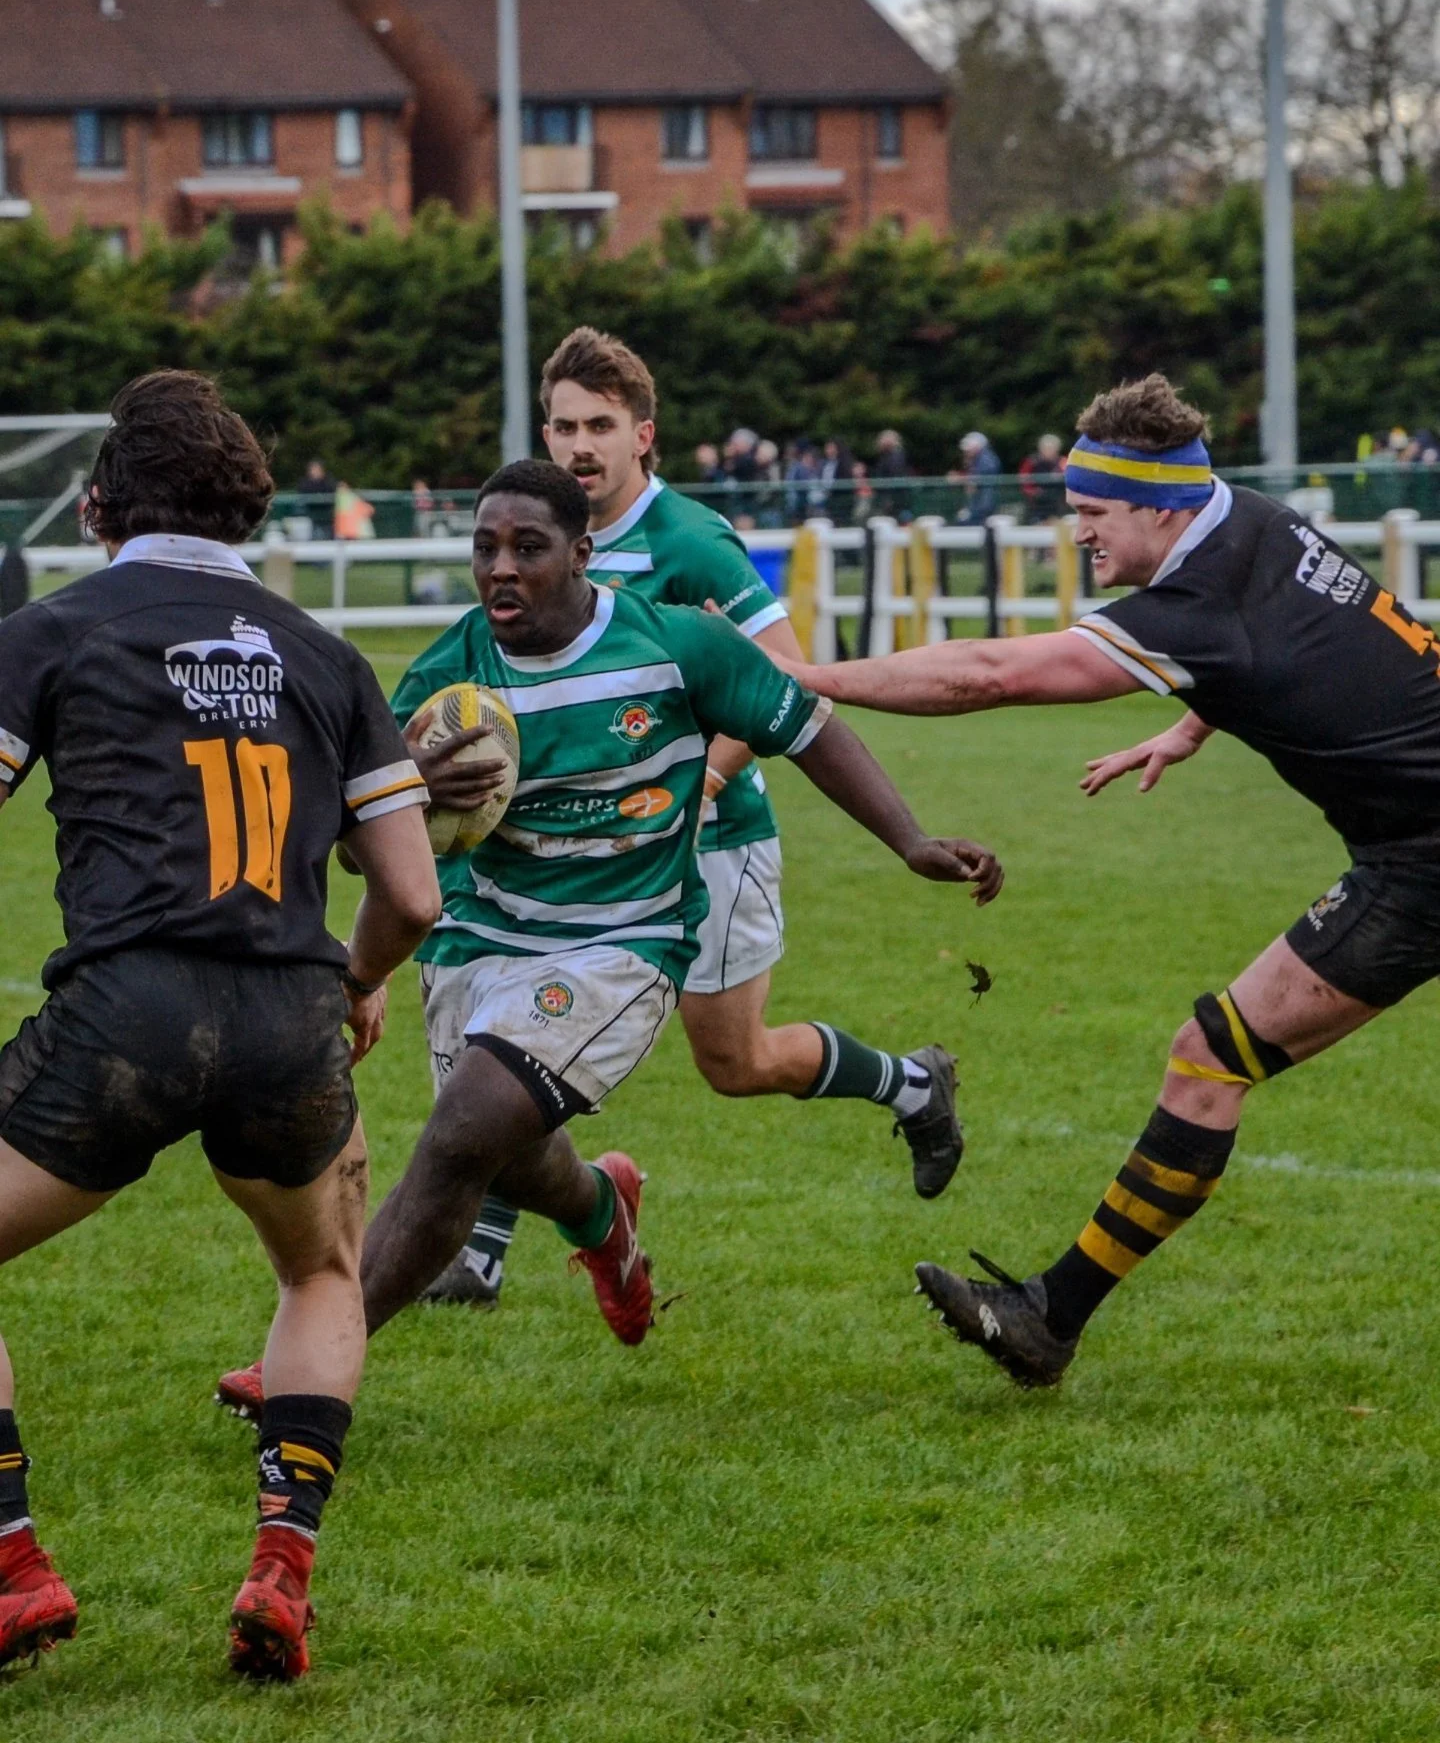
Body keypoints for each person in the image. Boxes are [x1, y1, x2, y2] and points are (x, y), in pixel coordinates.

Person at [215, 459, 1003, 1416]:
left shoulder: (676, 647)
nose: (500, 568)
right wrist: (414, 788)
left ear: (583, 552)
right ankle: (601, 1213)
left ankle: (309, 1362)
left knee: (463, 1134)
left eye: (528, 547)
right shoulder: (447, 676)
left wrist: (912, 839)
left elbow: (810, 728)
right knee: (506, 1150)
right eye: (485, 547)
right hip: (480, 940)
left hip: (621, 945)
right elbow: (356, 850)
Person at [790, 372, 1440, 1390]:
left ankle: (1048, 1320)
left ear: (1158, 503)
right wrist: (1189, 726)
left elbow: (991, 673)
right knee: (1212, 1052)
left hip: (1426, 860)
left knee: (1210, 1058)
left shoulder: (1196, 602)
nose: (1080, 536)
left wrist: (812, 679)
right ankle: (1049, 1318)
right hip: (1414, 846)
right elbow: (1305, 642)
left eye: (1092, 515)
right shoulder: (1259, 522)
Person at [0, 371, 440, 1677]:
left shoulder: (51, 630)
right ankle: (282, 1572)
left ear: (97, 506)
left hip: (128, 1008)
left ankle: (16, 1565)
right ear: (244, 510)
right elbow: (412, 891)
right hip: (290, 1011)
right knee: (318, 1272)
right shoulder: (330, 657)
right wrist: (357, 984)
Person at [422, 329, 991, 1311]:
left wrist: (695, 784)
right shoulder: (540, 538)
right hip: (571, 847)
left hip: (709, 839)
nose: (578, 446)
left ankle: (910, 1083)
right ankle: (479, 1247)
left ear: (644, 436)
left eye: (599, 426)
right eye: (562, 425)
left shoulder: (689, 542)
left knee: (735, 1061)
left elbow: (783, 674)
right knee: (502, 1018)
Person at [955, 431, 1002, 524]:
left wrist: (960, 479)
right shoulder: (979, 459)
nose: (966, 452)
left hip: (983, 505)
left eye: (969, 449)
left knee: (968, 522)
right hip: (980, 503)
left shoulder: (986, 459)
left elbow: (975, 481)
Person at [1018, 434, 1067, 521]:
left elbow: (1068, 477)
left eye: (1051, 448)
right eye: (1046, 448)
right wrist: (1034, 492)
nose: (1048, 451)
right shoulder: (1031, 462)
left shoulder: (1062, 462)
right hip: (1036, 502)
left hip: (1057, 502)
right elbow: (1024, 480)